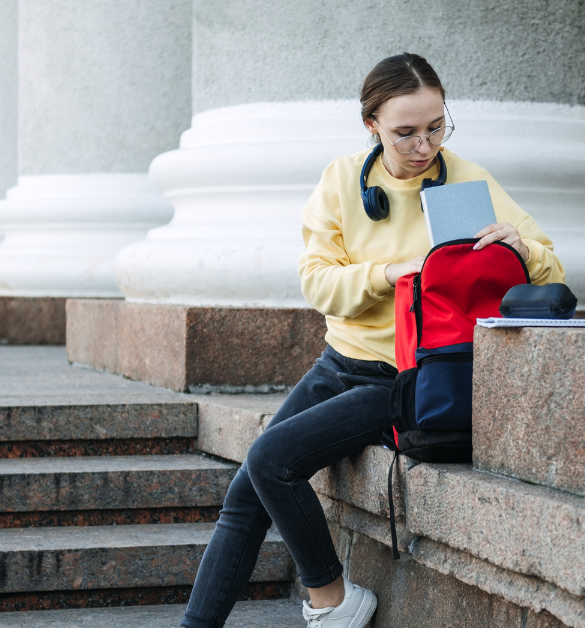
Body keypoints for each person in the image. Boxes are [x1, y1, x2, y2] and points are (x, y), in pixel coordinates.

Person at [180, 53, 565, 628]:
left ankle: (332, 600)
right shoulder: (342, 179)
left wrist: (520, 248)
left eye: (436, 127)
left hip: (409, 376)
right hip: (339, 363)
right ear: (372, 127)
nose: (424, 144)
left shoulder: (467, 181)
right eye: (405, 132)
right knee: (245, 493)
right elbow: (318, 282)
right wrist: (390, 273)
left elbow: (551, 271)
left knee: (271, 459)